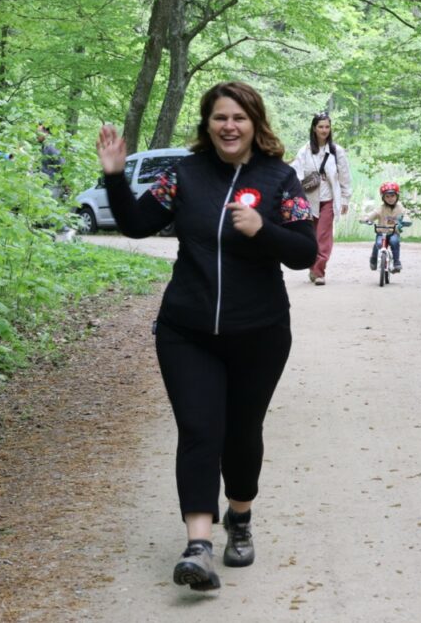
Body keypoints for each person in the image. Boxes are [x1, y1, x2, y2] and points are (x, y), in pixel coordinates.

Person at [95, 81, 317, 591]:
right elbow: (135, 225)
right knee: (199, 431)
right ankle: (198, 545)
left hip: (258, 333)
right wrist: (113, 175)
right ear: (207, 124)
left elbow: (304, 253)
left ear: (255, 123)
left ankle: (239, 517)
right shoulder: (185, 176)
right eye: (220, 118)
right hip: (187, 330)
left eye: (238, 117)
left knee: (241, 434)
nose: (229, 126)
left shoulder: (279, 180)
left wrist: (263, 228)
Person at [290, 111, 351, 285]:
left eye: (327, 127)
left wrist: (345, 198)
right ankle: (312, 266)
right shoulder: (305, 150)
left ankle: (319, 272)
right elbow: (295, 172)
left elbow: (345, 176)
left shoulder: (336, 150)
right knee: (311, 236)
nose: (324, 130)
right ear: (314, 128)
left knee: (323, 236)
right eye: (321, 127)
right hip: (309, 199)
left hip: (329, 198)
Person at [364, 181, 407, 272]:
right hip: (381, 232)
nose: (390, 198)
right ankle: (373, 259)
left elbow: (406, 216)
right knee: (378, 244)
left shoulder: (400, 208)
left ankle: (396, 262)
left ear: (397, 196)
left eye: (392, 196)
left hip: (393, 232)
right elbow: (372, 214)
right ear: (383, 198)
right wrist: (366, 219)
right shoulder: (380, 209)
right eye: (387, 196)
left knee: (395, 241)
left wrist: (406, 221)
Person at [36, 123, 66, 201]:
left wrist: (65, 183)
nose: (36, 135)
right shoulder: (44, 147)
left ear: (46, 132)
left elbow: (62, 164)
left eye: (38, 133)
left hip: (53, 185)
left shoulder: (51, 147)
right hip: (46, 185)